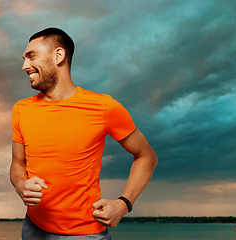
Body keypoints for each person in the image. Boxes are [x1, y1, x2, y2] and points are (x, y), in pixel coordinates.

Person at [10, 27, 158, 239]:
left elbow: (147, 156)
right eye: (24, 58)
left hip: (85, 234)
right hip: (33, 229)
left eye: (31, 56)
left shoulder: (104, 107)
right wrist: (20, 184)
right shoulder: (20, 109)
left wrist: (124, 204)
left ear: (58, 55)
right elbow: (17, 163)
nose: (24, 66)